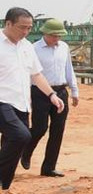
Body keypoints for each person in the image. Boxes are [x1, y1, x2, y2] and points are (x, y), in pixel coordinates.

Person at [0, 8, 64, 192]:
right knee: (22, 135)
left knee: (14, 145)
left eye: (29, 28)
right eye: (22, 27)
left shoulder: (27, 47)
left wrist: (52, 95)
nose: (26, 32)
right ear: (8, 23)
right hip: (2, 101)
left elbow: (36, 75)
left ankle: (4, 187)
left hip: (22, 103)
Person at [20, 19, 79, 177]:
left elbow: (69, 69)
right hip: (40, 92)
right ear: (44, 33)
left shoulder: (64, 47)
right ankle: (26, 151)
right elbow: (30, 74)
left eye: (59, 36)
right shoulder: (34, 49)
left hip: (60, 91)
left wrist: (74, 90)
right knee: (40, 128)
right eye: (53, 35)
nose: (56, 39)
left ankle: (49, 167)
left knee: (58, 130)